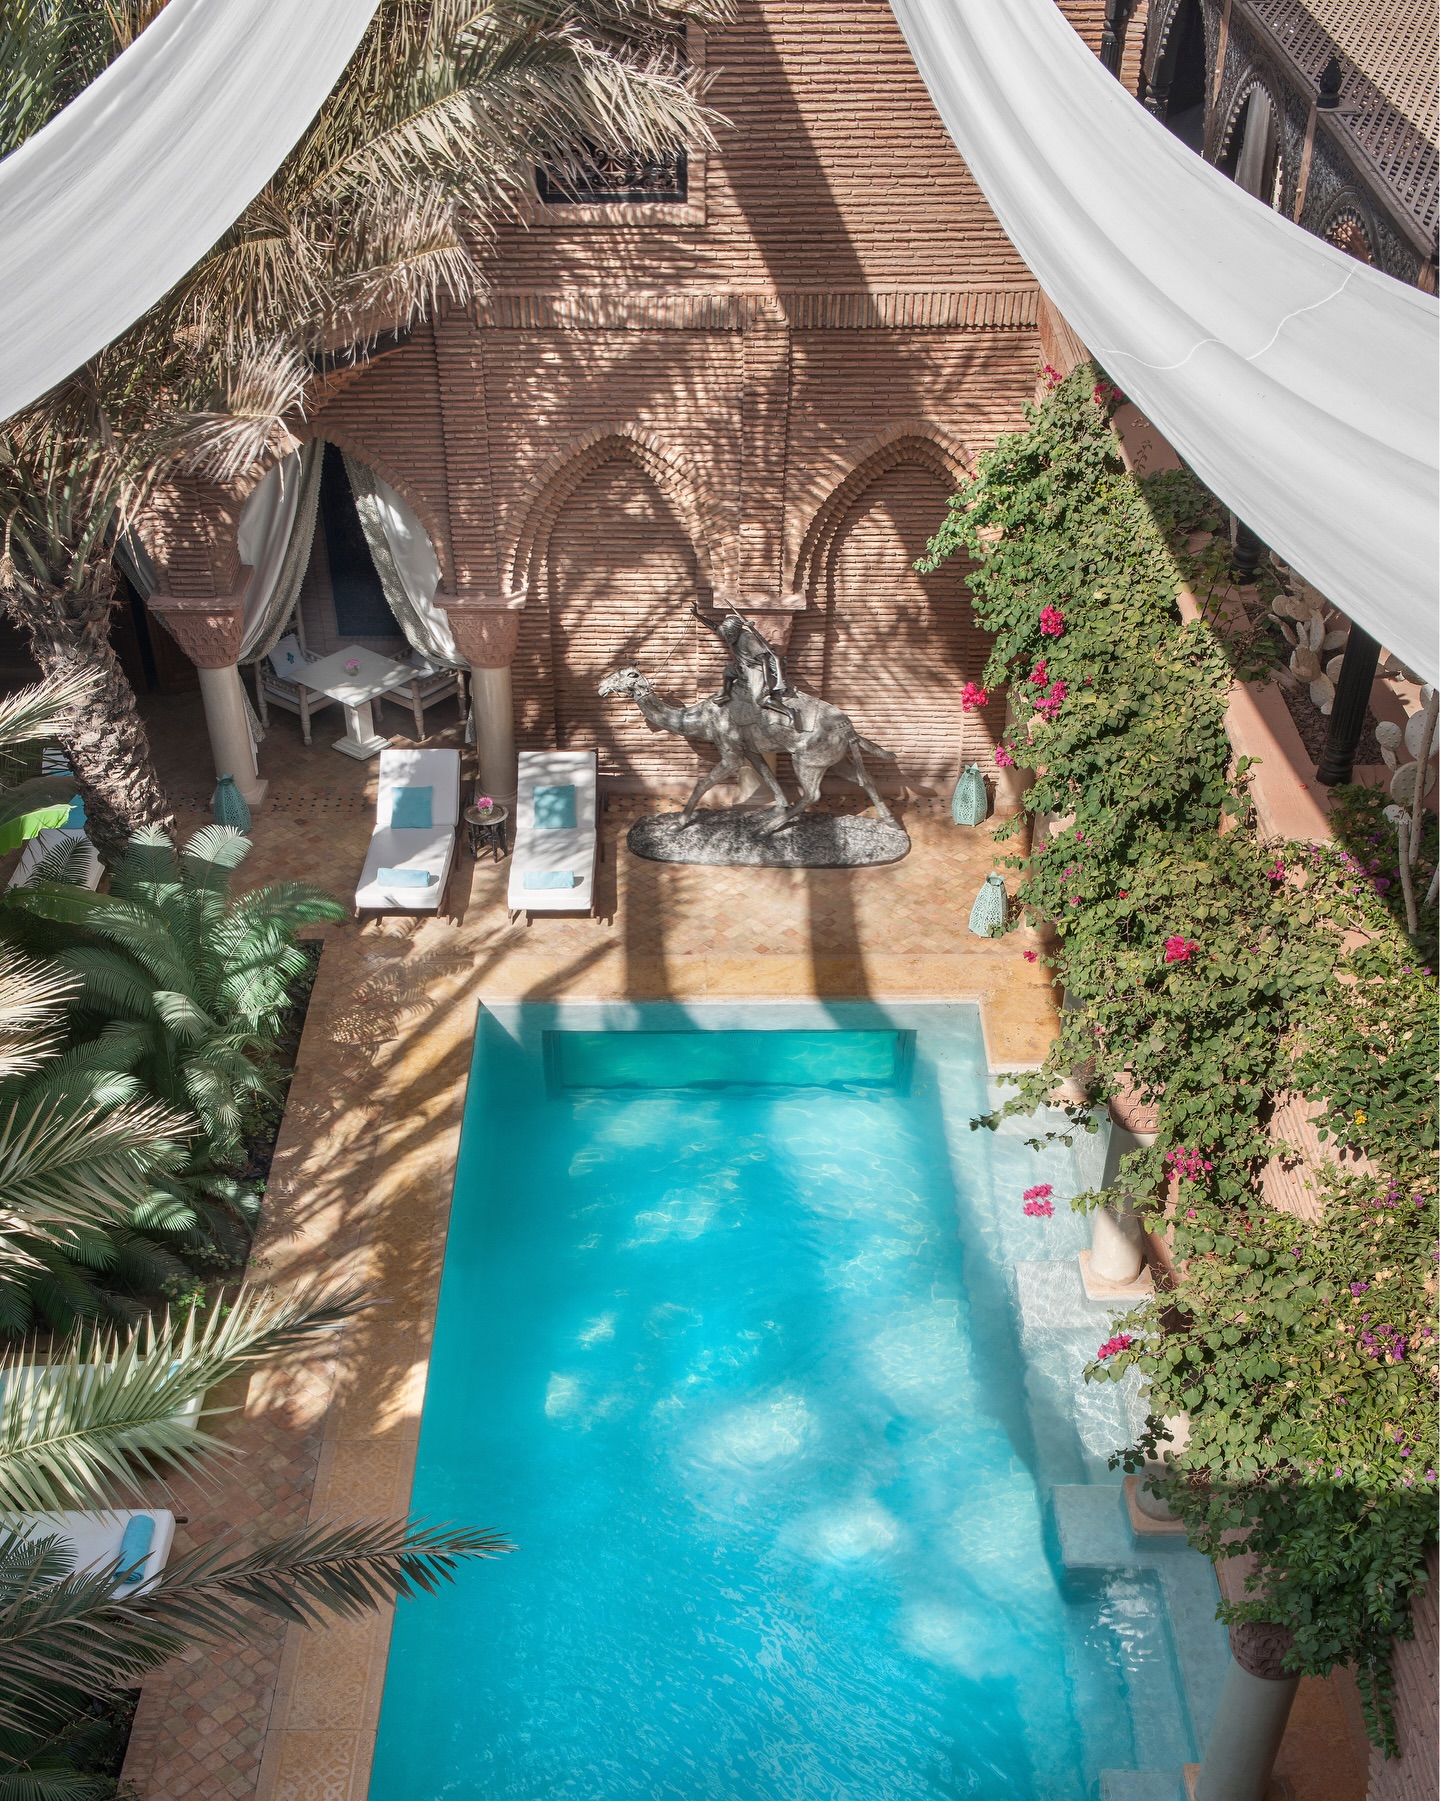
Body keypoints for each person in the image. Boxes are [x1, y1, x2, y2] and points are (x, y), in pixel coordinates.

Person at [692, 605, 800, 728]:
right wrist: (697, 615)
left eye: (730, 634)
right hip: (743, 666)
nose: (728, 636)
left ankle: (789, 712)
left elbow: (764, 659)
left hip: (756, 668)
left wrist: (766, 683)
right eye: (727, 633)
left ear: (736, 630)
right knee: (728, 671)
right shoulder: (728, 632)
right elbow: (714, 626)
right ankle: (726, 693)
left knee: (760, 698)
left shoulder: (748, 639)